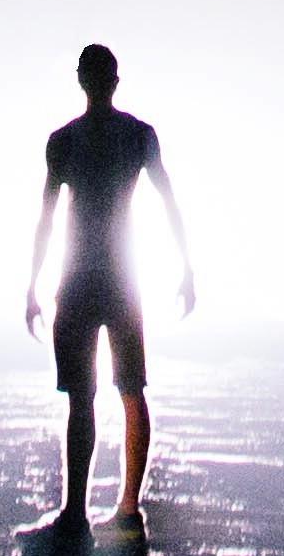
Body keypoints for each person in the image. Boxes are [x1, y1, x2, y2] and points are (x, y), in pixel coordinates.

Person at [21, 40, 194, 531]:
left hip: (79, 278)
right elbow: (169, 201)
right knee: (130, 389)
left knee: (87, 395)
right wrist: (186, 269)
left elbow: (46, 220)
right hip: (118, 276)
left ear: (81, 81)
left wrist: (32, 286)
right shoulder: (138, 136)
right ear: (114, 82)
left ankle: (79, 511)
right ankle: (125, 507)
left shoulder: (64, 141)